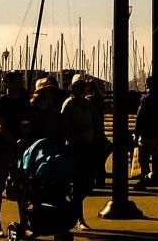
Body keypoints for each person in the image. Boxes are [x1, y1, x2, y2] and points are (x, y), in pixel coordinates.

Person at [0, 71, 30, 238]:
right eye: (15, 81)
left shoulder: (24, 101)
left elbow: (27, 122)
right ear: (7, 83)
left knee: (22, 187)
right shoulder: (1, 102)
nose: (19, 84)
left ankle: (24, 221)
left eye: (20, 81)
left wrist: (25, 135)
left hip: (20, 151)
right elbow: (0, 126)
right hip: (1, 149)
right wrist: (14, 141)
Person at [61, 73, 94, 230]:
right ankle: (79, 218)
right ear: (73, 89)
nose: (82, 89)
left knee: (88, 183)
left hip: (87, 148)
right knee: (78, 184)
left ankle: (74, 210)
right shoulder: (69, 104)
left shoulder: (88, 104)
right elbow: (62, 127)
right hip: (73, 148)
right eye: (78, 87)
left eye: (83, 86)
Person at [133, 75, 158, 191]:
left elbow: (139, 117)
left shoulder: (145, 99)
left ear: (148, 85)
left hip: (147, 134)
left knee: (144, 159)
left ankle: (144, 179)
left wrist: (136, 133)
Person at [29, 75, 63, 143]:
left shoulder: (54, 111)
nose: (52, 92)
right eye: (49, 90)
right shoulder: (31, 111)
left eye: (52, 90)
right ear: (40, 93)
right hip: (36, 146)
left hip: (52, 146)